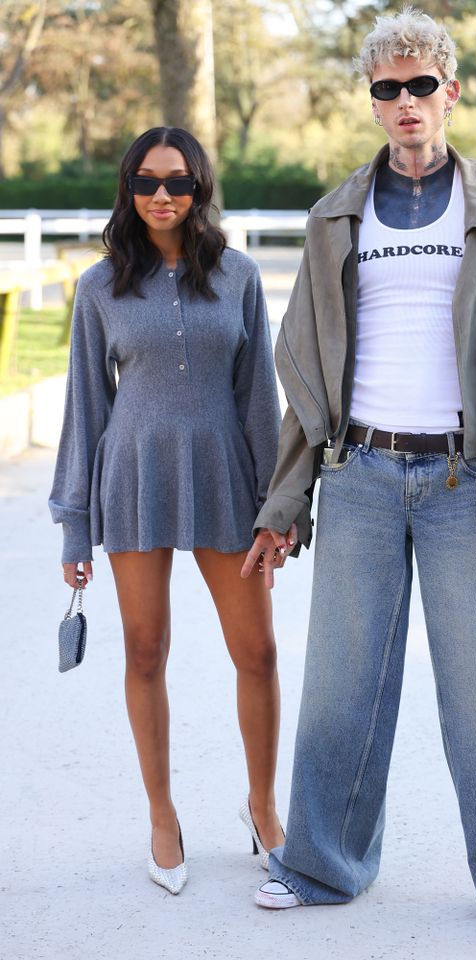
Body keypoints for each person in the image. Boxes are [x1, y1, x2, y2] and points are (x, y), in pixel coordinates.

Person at [241, 9, 476, 949]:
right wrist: (287, 503)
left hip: (461, 482)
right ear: (373, 102)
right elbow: (309, 374)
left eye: (420, 85)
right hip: (356, 471)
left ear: (451, 91)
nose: (403, 102)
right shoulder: (335, 216)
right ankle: (320, 865)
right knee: (342, 686)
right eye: (386, 88)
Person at [50, 126, 291, 895]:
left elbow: (261, 398)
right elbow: (86, 409)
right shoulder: (99, 286)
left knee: (258, 653)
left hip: (225, 476)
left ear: (199, 189)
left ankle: (262, 807)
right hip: (135, 476)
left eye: (178, 182)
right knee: (145, 651)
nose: (162, 195)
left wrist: (276, 508)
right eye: (147, 181)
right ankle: (162, 815)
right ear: (129, 188)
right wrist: (74, 523)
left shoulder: (241, 276)